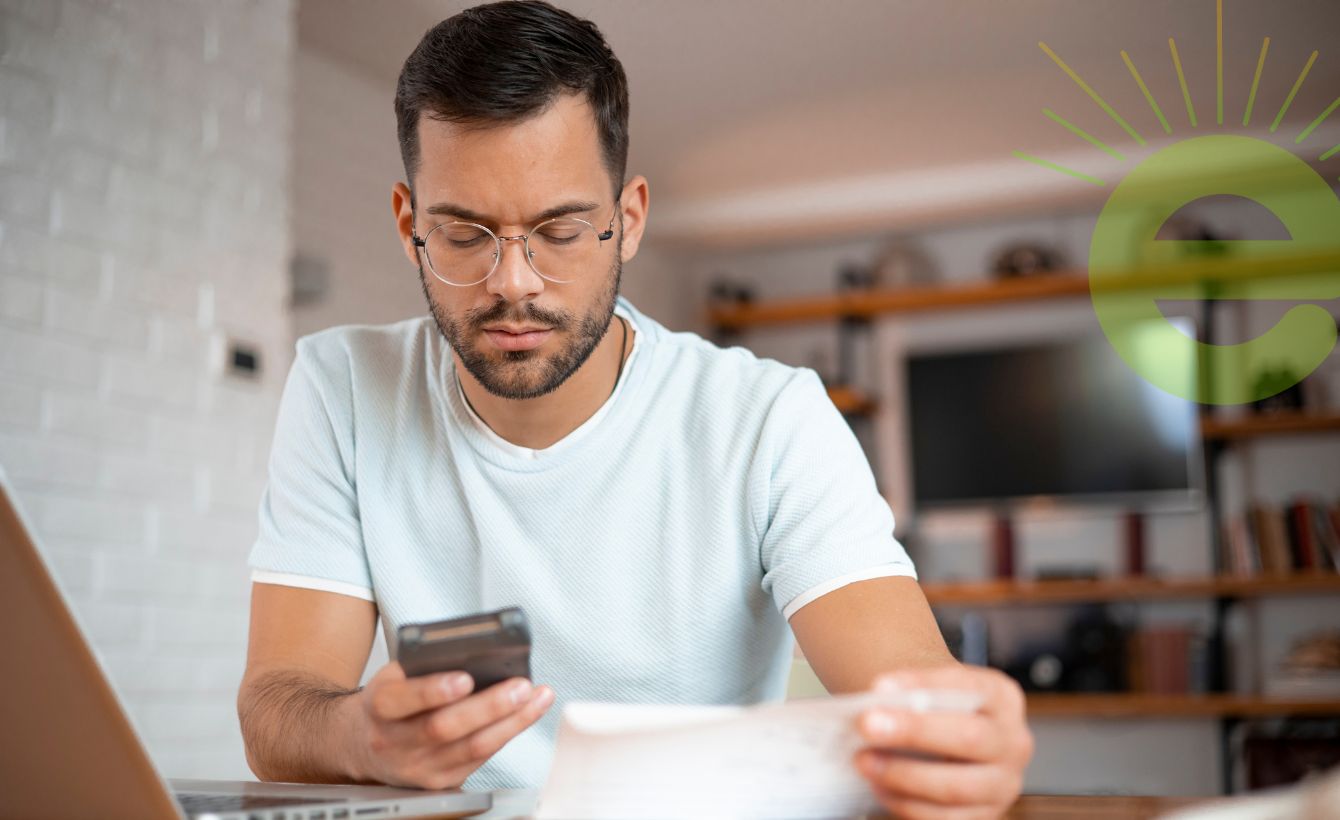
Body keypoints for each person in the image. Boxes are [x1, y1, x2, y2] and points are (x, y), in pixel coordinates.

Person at [236, 1, 1033, 816]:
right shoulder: (342, 386)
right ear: (410, 224)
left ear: (629, 220)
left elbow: (913, 691)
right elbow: (276, 711)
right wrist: (358, 736)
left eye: (560, 230)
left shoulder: (769, 420)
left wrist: (961, 738)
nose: (514, 283)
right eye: (466, 235)